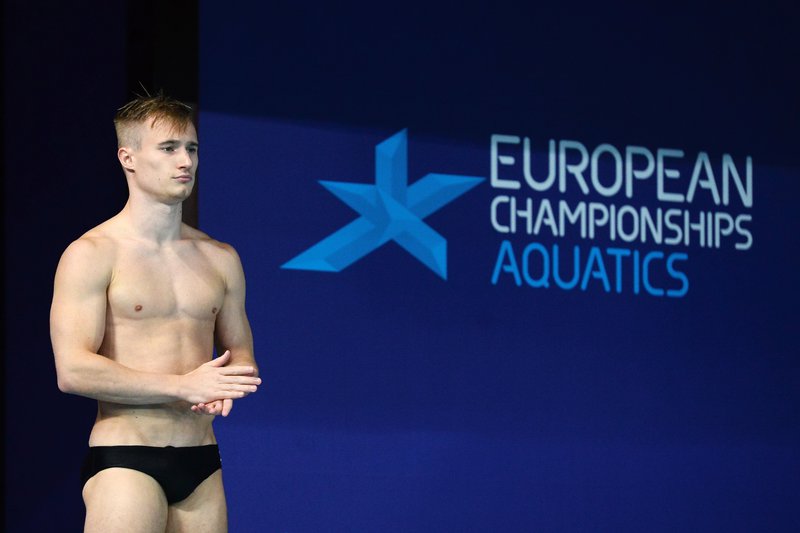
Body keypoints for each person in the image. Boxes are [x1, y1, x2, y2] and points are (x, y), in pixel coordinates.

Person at [49, 94, 261, 532]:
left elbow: (241, 353)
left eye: (192, 148)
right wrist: (183, 386)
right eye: (168, 148)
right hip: (127, 458)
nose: (185, 161)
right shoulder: (91, 254)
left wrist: (229, 381)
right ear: (128, 157)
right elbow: (72, 370)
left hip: (202, 460)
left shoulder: (220, 258)